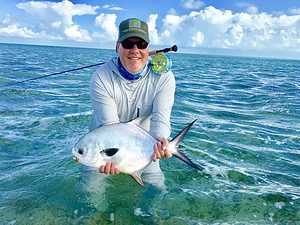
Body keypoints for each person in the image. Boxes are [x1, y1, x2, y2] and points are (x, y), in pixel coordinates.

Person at [89, 18, 176, 187]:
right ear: (117, 47)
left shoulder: (164, 77)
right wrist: (112, 157)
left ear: (148, 48)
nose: (135, 50)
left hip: (144, 142)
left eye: (141, 44)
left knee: (158, 186)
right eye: (128, 43)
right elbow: (109, 129)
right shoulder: (100, 77)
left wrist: (160, 140)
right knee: (91, 187)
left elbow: (161, 120)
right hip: (101, 148)